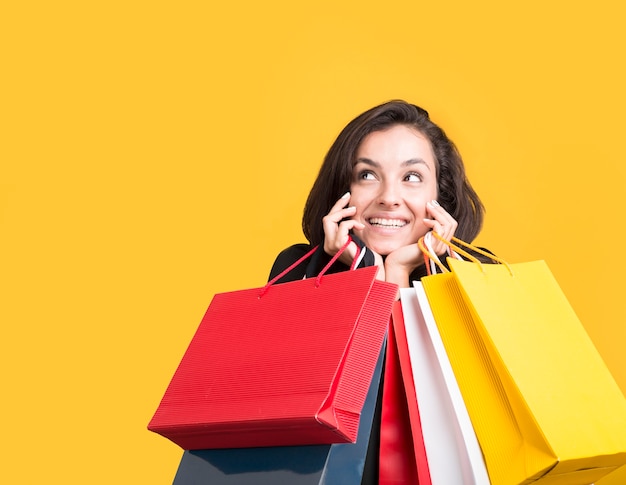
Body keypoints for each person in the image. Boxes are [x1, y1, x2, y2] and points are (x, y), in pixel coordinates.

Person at [269, 99, 486, 286]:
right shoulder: (297, 271)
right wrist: (368, 268)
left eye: (411, 177)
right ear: (343, 190)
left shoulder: (482, 275)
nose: (388, 198)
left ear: (441, 193)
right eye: (368, 175)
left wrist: (398, 270)